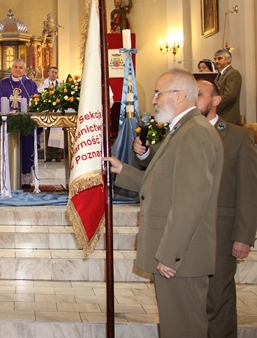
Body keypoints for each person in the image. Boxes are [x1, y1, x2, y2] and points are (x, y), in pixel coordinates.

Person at [133, 79, 257, 337]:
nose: (154, 100)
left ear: (215, 100)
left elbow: (246, 190)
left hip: (214, 233)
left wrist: (243, 235)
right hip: (188, 237)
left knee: (214, 304)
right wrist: (129, 166)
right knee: (189, 315)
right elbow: (163, 175)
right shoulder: (182, 130)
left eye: (200, 94)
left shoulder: (220, 135)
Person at [106, 68, 223, 337]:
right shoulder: (182, 130)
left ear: (179, 96)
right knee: (175, 327)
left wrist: (171, 254)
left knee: (184, 329)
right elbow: (162, 184)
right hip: (180, 255)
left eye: (159, 93)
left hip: (183, 257)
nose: (154, 100)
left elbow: (190, 202)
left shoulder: (195, 133)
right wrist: (122, 170)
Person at [0, 59, 39, 188]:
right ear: (11, 69)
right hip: (6, 122)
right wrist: (7, 111)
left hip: (25, 123)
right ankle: (6, 177)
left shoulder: (30, 84)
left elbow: (36, 101)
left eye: (20, 67)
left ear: (25, 70)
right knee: (5, 149)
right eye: (15, 67)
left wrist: (27, 111)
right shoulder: (3, 83)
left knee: (26, 148)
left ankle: (25, 179)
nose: (18, 69)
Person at [37, 66, 64, 162]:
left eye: (56, 72)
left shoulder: (61, 84)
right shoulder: (43, 84)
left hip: (58, 111)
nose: (54, 74)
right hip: (47, 111)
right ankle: (48, 155)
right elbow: (39, 96)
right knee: (48, 133)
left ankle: (58, 155)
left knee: (58, 134)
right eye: (52, 72)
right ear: (48, 73)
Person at [214, 48, 243, 124]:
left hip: (228, 116)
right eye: (215, 59)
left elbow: (229, 96)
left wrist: (213, 107)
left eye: (220, 58)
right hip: (220, 115)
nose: (216, 61)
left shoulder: (233, 73)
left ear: (228, 59)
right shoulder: (220, 74)